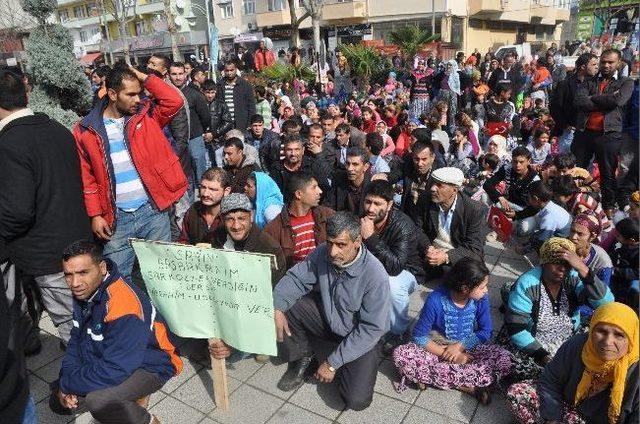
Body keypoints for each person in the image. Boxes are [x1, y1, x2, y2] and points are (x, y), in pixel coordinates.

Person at [0, 68, 91, 347]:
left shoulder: (9, 143)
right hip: (74, 241)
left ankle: (85, 387)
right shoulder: (57, 129)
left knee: (72, 328)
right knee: (80, 319)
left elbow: (17, 211)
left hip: (48, 254)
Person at [73, 64, 187, 282]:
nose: (138, 99)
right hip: (116, 218)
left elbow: (175, 100)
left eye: (140, 93)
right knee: (117, 280)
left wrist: (144, 77)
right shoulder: (86, 130)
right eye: (131, 94)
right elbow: (86, 177)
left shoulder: (147, 115)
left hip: (153, 211)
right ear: (113, 94)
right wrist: (96, 215)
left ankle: (160, 317)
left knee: (163, 278)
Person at [49, 240, 182, 424]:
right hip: (113, 356)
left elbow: (116, 369)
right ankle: (127, 401)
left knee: (99, 402)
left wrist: (69, 384)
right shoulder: (85, 291)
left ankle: (148, 421)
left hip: (152, 363)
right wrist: (66, 380)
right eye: (68, 275)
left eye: (82, 272)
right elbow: (76, 341)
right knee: (58, 401)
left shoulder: (123, 304)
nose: (74, 283)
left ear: (102, 268)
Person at [267, 212, 390, 410]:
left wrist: (333, 362)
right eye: (330, 242)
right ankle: (303, 357)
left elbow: (370, 329)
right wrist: (277, 306)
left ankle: (350, 359)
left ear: (357, 241)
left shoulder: (376, 276)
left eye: (341, 245)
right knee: (291, 306)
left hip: (361, 335)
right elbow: (297, 279)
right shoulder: (323, 252)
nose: (333, 252)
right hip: (331, 319)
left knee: (356, 400)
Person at [394, 258, 512, 404]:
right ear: (465, 288)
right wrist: (450, 355)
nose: (486, 290)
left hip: (468, 346)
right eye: (482, 287)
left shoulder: (481, 299)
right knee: (401, 354)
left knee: (505, 359)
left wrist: (459, 347)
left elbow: (485, 331)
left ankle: (432, 377)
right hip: (437, 347)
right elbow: (419, 336)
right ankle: (467, 385)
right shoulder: (435, 300)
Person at [507, 302, 639, 424]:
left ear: (632, 338)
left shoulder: (636, 372)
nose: (608, 342)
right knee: (519, 392)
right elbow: (551, 379)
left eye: (619, 335)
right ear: (592, 329)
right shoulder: (578, 344)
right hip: (566, 406)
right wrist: (552, 418)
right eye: (602, 331)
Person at [502, 237, 614, 381]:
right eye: (556, 263)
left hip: (568, 339)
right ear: (544, 262)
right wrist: (543, 356)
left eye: (567, 264)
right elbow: (517, 330)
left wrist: (582, 269)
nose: (562, 268)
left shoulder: (573, 279)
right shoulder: (527, 285)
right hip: (535, 344)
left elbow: (607, 304)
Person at [360, 180, 424, 349]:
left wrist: (371, 238)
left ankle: (399, 331)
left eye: (377, 204)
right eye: (368, 202)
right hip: (374, 266)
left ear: (389, 205)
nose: (371, 209)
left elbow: (395, 267)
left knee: (392, 285)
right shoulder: (361, 217)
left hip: (407, 271)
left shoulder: (403, 225)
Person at [573, 49, 634, 216]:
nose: (606, 65)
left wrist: (593, 98)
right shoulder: (589, 80)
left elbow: (618, 100)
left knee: (607, 175)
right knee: (577, 170)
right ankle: (575, 202)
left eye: (611, 62)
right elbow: (579, 101)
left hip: (609, 135)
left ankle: (608, 209)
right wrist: (606, 99)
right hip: (585, 133)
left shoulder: (626, 82)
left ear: (619, 63)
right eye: (603, 62)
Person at [419, 167, 485, 277]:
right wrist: (428, 248)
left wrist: (446, 256)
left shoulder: (474, 209)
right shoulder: (426, 199)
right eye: (433, 183)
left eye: (439, 185)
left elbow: (474, 247)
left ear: (454, 190)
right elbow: (418, 229)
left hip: (457, 254)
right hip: (431, 251)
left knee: (471, 275)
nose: (433, 188)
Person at [210, 194, 286, 287]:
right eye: (230, 219)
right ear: (222, 219)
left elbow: (272, 289)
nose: (236, 226)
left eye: (241, 218)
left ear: (251, 216)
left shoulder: (270, 249)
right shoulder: (216, 238)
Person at [483, 146, 540, 236]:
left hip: (523, 209)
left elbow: (535, 207)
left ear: (529, 162)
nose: (517, 165)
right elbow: (487, 184)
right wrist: (499, 197)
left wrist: (516, 215)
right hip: (506, 203)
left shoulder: (535, 180)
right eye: (515, 161)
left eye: (521, 162)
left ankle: (509, 226)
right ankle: (493, 219)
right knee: (484, 196)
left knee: (525, 229)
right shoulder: (507, 169)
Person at [169, 62, 211, 183]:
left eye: (180, 74)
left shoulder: (194, 94)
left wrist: (198, 131)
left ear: (185, 75)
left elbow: (206, 116)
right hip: (175, 140)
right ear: (169, 75)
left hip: (194, 138)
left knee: (200, 173)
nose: (178, 77)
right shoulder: (167, 94)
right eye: (174, 74)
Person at [550, 53, 599, 154]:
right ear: (583, 67)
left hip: (590, 131)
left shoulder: (597, 84)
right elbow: (555, 107)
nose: (597, 67)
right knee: (566, 163)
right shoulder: (565, 84)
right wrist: (565, 125)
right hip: (569, 132)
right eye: (593, 64)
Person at [568, 213, 613, 318]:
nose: (573, 237)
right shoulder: (563, 247)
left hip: (589, 302)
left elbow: (600, 298)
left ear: (592, 236)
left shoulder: (602, 261)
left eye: (580, 234)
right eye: (572, 231)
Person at [178, 168, 231, 245]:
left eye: (212, 189)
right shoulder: (193, 210)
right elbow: (184, 239)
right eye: (203, 187)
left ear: (226, 191)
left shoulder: (231, 215)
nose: (206, 194)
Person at [522, 180, 572, 253]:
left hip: (564, 240)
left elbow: (542, 240)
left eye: (528, 197)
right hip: (560, 231)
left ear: (536, 199)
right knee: (534, 236)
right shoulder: (550, 205)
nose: (528, 199)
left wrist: (524, 250)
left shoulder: (549, 217)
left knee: (539, 241)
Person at [323, 147, 372, 215]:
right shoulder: (339, 180)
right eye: (347, 163)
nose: (349, 168)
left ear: (366, 166)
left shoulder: (372, 185)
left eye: (355, 164)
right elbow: (327, 206)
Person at [217, 61, 256, 131]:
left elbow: (251, 106)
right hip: (224, 125)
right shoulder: (219, 85)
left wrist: (249, 124)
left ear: (236, 69)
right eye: (227, 70)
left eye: (231, 70)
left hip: (241, 125)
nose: (229, 73)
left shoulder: (245, 85)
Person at [610, 218, 639, 310]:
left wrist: (616, 271)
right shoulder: (623, 244)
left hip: (632, 279)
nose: (616, 236)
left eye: (619, 235)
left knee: (634, 289)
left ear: (632, 240)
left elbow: (637, 273)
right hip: (619, 275)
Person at [201, 79, 234, 155]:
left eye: (212, 93)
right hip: (202, 140)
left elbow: (228, 122)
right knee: (207, 164)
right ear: (203, 91)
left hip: (218, 141)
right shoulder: (199, 104)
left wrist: (214, 134)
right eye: (207, 93)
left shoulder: (221, 105)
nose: (210, 95)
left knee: (219, 163)